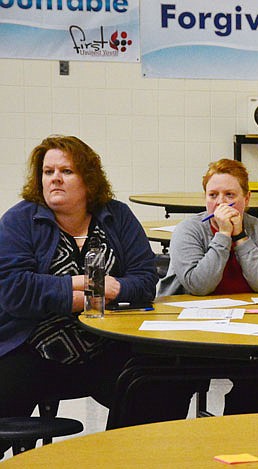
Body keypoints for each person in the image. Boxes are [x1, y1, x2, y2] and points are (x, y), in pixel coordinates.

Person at [0, 135, 168, 446]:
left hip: (105, 345)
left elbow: (145, 279)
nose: (55, 179)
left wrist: (115, 289)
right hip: (31, 347)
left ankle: (121, 457)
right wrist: (77, 290)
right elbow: (13, 289)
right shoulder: (20, 220)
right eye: (48, 172)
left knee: (158, 387)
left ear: (88, 179)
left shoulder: (116, 216)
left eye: (66, 171)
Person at [157, 158, 258, 414]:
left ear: (246, 199)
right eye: (213, 195)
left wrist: (241, 237)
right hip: (191, 330)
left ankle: (235, 438)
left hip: (247, 328)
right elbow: (198, 285)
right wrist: (223, 236)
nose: (221, 203)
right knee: (171, 383)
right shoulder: (189, 230)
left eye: (230, 195)